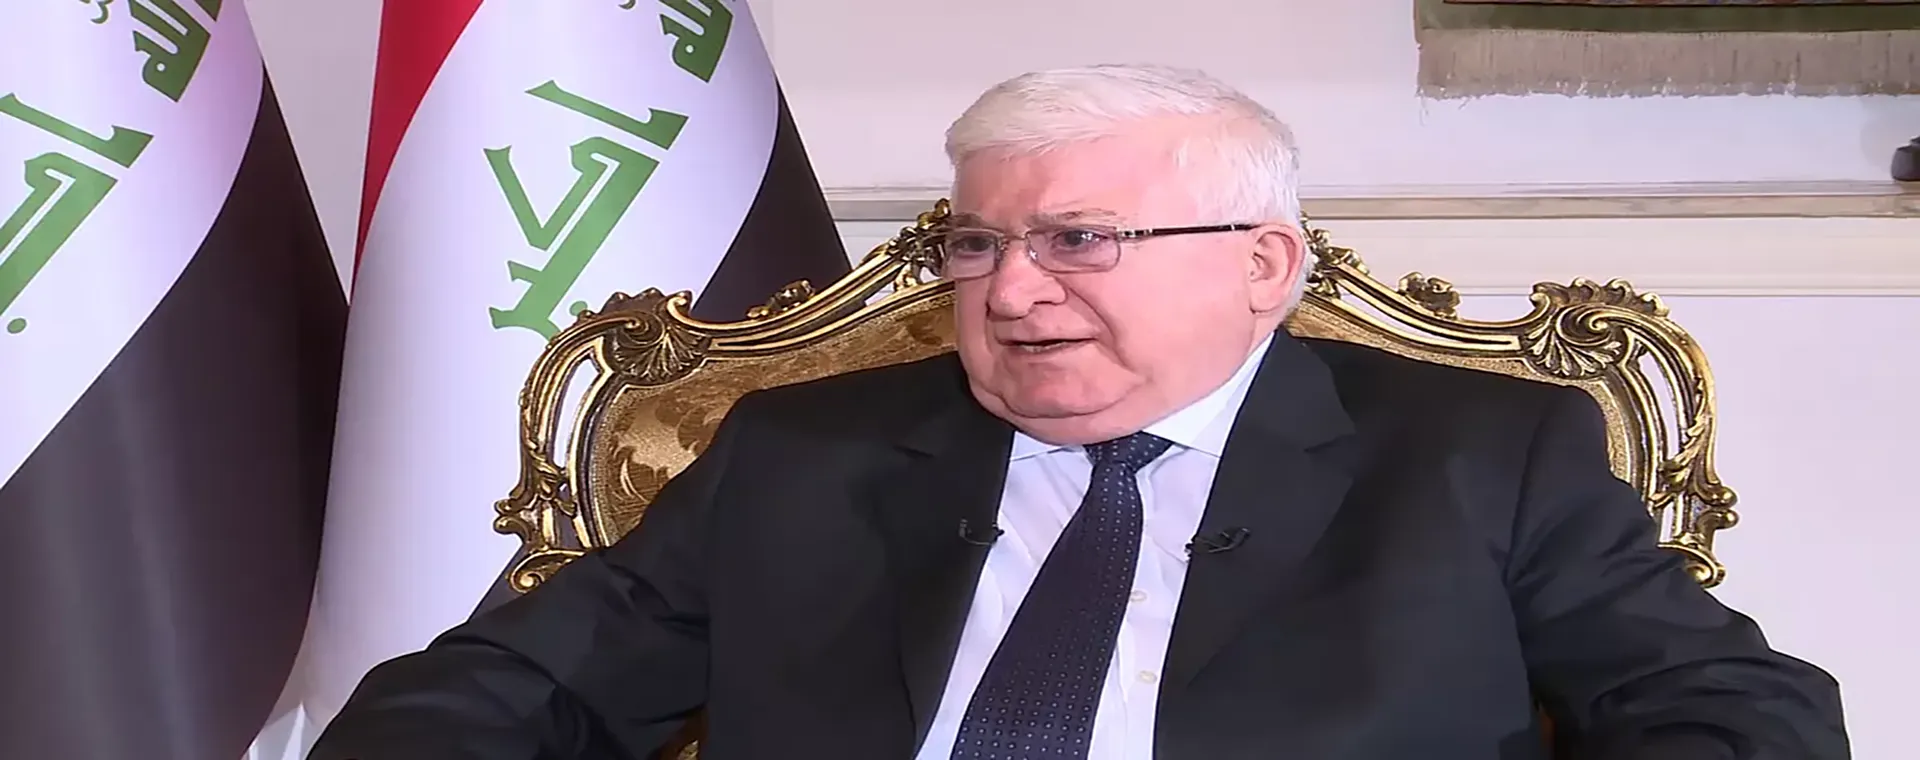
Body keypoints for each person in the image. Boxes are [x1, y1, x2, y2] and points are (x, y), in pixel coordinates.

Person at [309, 64, 1849, 760]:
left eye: (1080, 241)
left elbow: (1739, 717)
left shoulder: (1477, 459)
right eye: (976, 243)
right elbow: (497, 695)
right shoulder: (805, 459)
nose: (1014, 289)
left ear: (1264, 265)